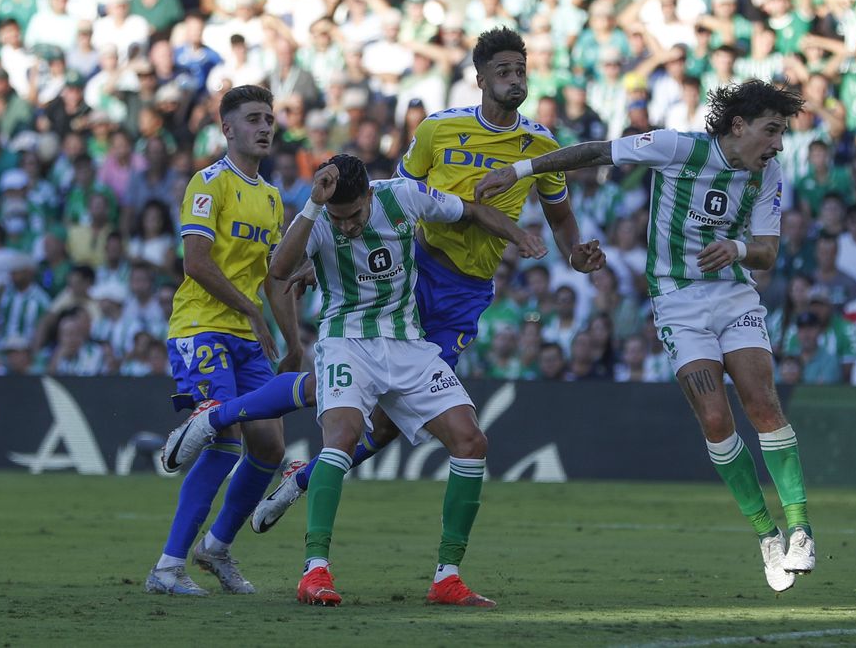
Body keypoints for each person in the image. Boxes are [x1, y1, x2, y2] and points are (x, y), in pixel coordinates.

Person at [475, 79, 814, 591]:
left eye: (782, 133)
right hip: (677, 301)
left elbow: (766, 251)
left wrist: (738, 249)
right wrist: (519, 169)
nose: (778, 144)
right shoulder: (676, 147)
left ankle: (801, 528)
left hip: (733, 295)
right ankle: (767, 535)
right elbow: (596, 152)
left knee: (762, 405)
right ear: (739, 126)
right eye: (772, 131)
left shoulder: (768, 173)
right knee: (715, 419)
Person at [167, 154, 546, 606]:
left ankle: (447, 578)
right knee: (342, 438)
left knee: (471, 441)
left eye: (354, 216)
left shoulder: (403, 195)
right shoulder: (318, 216)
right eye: (338, 218)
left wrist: (519, 234)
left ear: (370, 194)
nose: (346, 226)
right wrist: (314, 207)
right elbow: (279, 271)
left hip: (406, 343)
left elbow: (471, 210)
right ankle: (315, 572)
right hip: (345, 341)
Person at [254, 28, 606, 508]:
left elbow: (561, 218)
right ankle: (222, 417)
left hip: (466, 294)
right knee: (334, 386)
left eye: (521, 70)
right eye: (504, 71)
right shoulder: (438, 130)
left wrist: (574, 254)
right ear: (480, 79)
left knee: (391, 422)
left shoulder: (541, 144)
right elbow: (383, 206)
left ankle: (302, 479)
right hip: (411, 275)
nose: (515, 79)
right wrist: (328, 259)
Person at [144, 84, 302, 598]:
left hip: (246, 337)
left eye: (269, 119)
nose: (265, 127)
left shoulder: (272, 198)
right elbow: (196, 262)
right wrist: (252, 310)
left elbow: (275, 277)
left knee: (270, 446)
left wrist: (293, 340)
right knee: (225, 437)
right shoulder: (208, 183)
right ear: (227, 129)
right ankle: (168, 567)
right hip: (201, 327)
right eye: (253, 119)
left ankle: (215, 548)